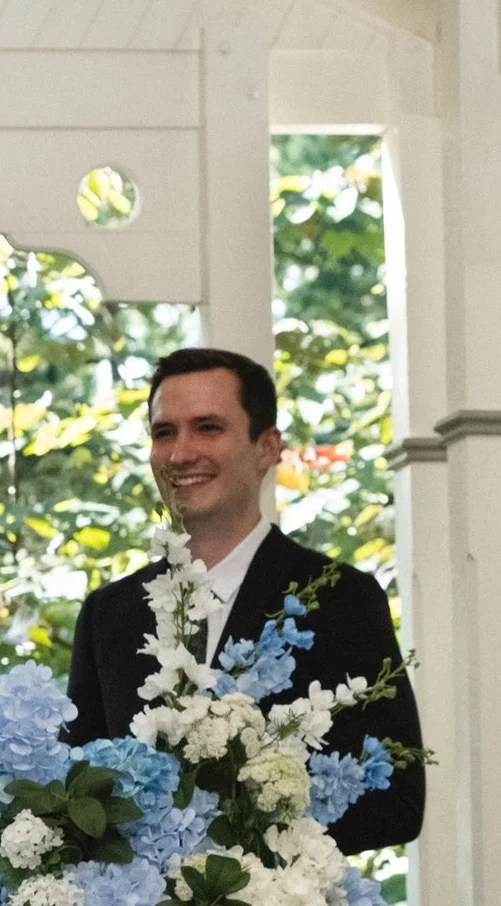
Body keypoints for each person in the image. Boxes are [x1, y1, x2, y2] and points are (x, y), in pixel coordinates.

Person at [66, 345, 423, 853]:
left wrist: (240, 844)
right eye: (164, 432)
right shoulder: (109, 615)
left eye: (208, 427)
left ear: (266, 448)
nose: (181, 453)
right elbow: (75, 796)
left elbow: (399, 803)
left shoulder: (341, 599)